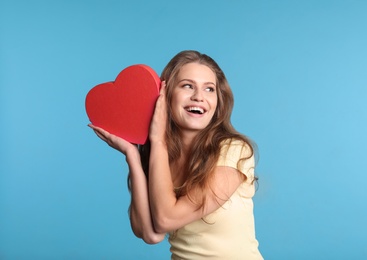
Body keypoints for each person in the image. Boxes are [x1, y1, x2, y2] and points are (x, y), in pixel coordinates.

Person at [89, 50, 264, 259]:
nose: (199, 97)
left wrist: (158, 140)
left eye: (209, 89)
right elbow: (150, 234)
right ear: (166, 95)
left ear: (218, 100)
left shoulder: (233, 150)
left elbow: (165, 220)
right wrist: (132, 155)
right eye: (187, 86)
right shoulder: (161, 155)